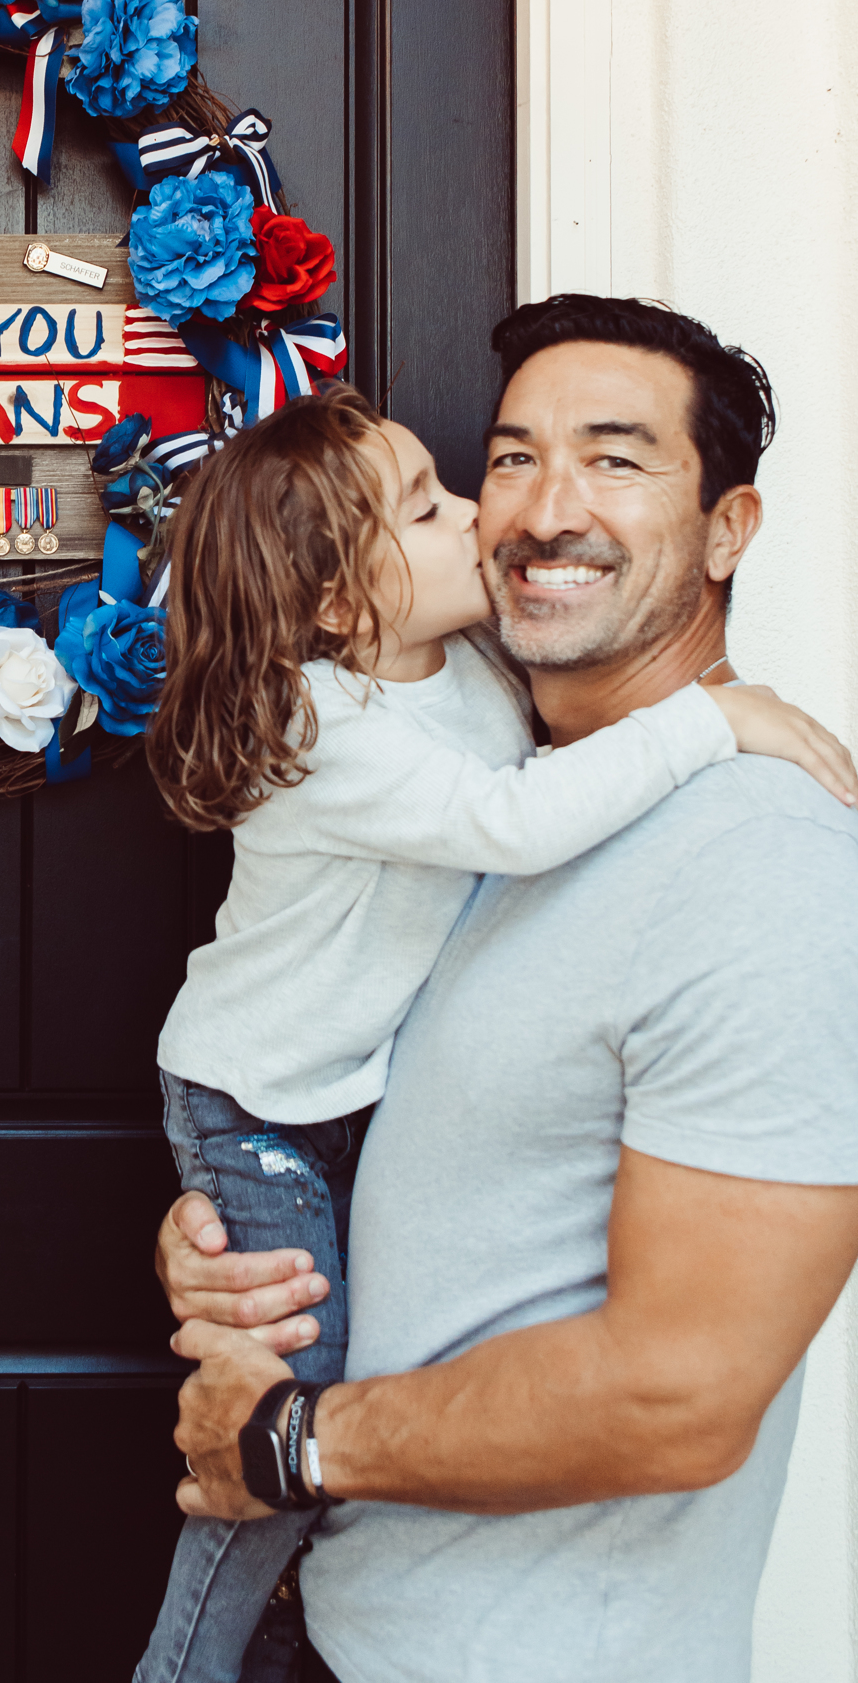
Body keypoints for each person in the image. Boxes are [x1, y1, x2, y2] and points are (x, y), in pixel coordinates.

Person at [152, 295, 858, 1683]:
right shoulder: (485, 792)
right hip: (351, 1624)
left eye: (616, 457)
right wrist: (237, 1253)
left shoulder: (768, 866)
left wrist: (292, 1438)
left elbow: (683, 1394)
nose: (537, 509)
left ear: (730, 528)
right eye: (515, 456)